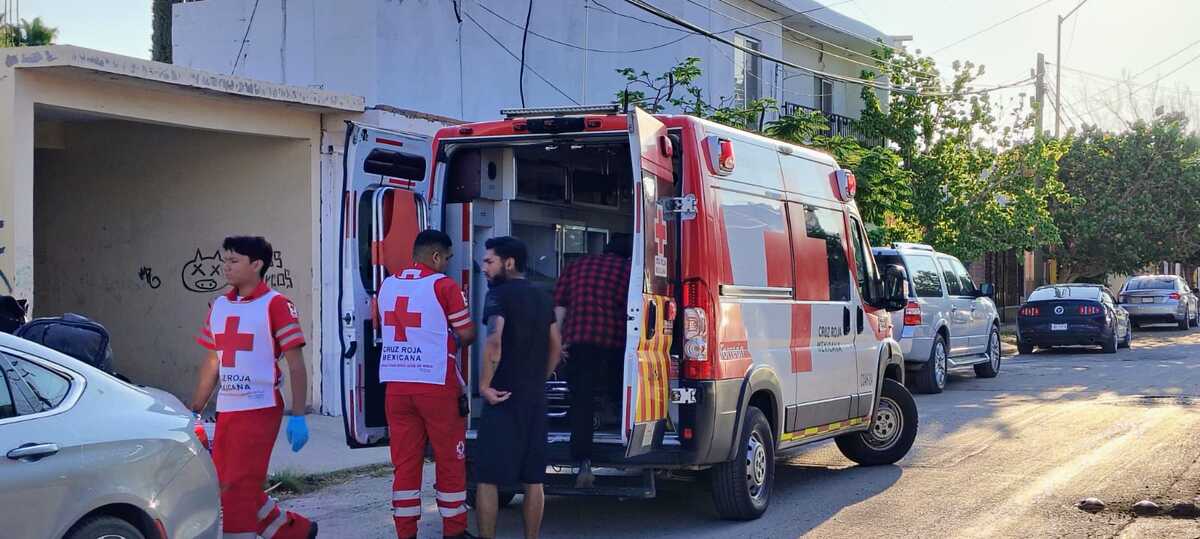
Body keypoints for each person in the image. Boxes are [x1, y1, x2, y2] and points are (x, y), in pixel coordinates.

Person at [189, 236, 318, 539]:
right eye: (225, 260)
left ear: (257, 265)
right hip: (228, 409)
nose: (225, 267)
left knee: (238, 485)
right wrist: (195, 409)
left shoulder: (276, 305)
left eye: (234, 261)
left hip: (260, 407)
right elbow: (212, 361)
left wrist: (298, 414)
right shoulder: (219, 306)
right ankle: (294, 531)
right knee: (224, 482)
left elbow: (296, 365)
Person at [377, 229, 476, 539]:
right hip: (435, 384)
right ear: (435, 256)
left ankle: (405, 533)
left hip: (396, 386)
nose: (446, 264)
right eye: (446, 258)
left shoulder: (387, 285)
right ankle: (454, 531)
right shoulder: (443, 286)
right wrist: (451, 339)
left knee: (405, 463)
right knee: (450, 458)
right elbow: (468, 333)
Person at [474, 236, 562, 539]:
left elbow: (494, 341)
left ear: (508, 263)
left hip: (502, 399)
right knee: (533, 479)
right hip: (534, 399)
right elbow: (556, 345)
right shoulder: (542, 297)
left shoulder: (498, 295)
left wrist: (484, 385)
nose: (483, 267)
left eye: (489, 261)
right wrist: (540, 377)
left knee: (487, 478)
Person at [553, 237, 632, 488]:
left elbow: (560, 307)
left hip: (578, 340)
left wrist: (558, 342)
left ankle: (583, 461)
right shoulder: (628, 269)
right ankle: (624, 435)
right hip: (613, 342)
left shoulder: (578, 265)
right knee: (619, 390)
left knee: (581, 400)